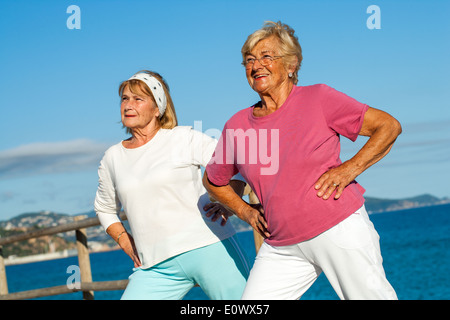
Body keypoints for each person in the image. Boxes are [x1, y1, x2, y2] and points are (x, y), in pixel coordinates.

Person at [203, 21, 402, 300]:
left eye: (266, 56)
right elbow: (214, 181)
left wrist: (348, 170)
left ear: (291, 65)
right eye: (249, 60)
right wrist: (246, 212)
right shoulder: (237, 126)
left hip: (338, 227)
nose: (256, 65)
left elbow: (388, 126)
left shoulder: (318, 98)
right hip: (281, 246)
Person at [94, 70, 249, 300]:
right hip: (155, 267)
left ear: (157, 109)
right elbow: (104, 208)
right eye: (125, 98)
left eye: (138, 99)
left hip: (210, 247)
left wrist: (230, 203)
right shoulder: (112, 158)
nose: (128, 104)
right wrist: (125, 242)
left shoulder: (182, 138)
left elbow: (237, 164)